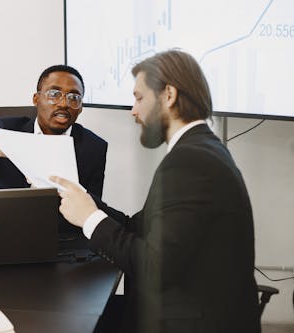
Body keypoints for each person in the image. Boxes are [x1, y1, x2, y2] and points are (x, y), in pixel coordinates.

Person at [50, 50, 260, 332]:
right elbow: (139, 226)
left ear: (168, 95)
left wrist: (89, 219)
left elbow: (154, 269)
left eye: (139, 98)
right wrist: (84, 200)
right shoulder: (202, 150)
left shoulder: (190, 162)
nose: (133, 110)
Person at [0, 65, 107, 198]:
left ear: (80, 107)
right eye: (54, 94)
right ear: (36, 99)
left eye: (73, 97)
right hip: (5, 226)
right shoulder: (7, 130)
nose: (63, 104)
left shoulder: (93, 146)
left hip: (63, 236)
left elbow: (92, 207)